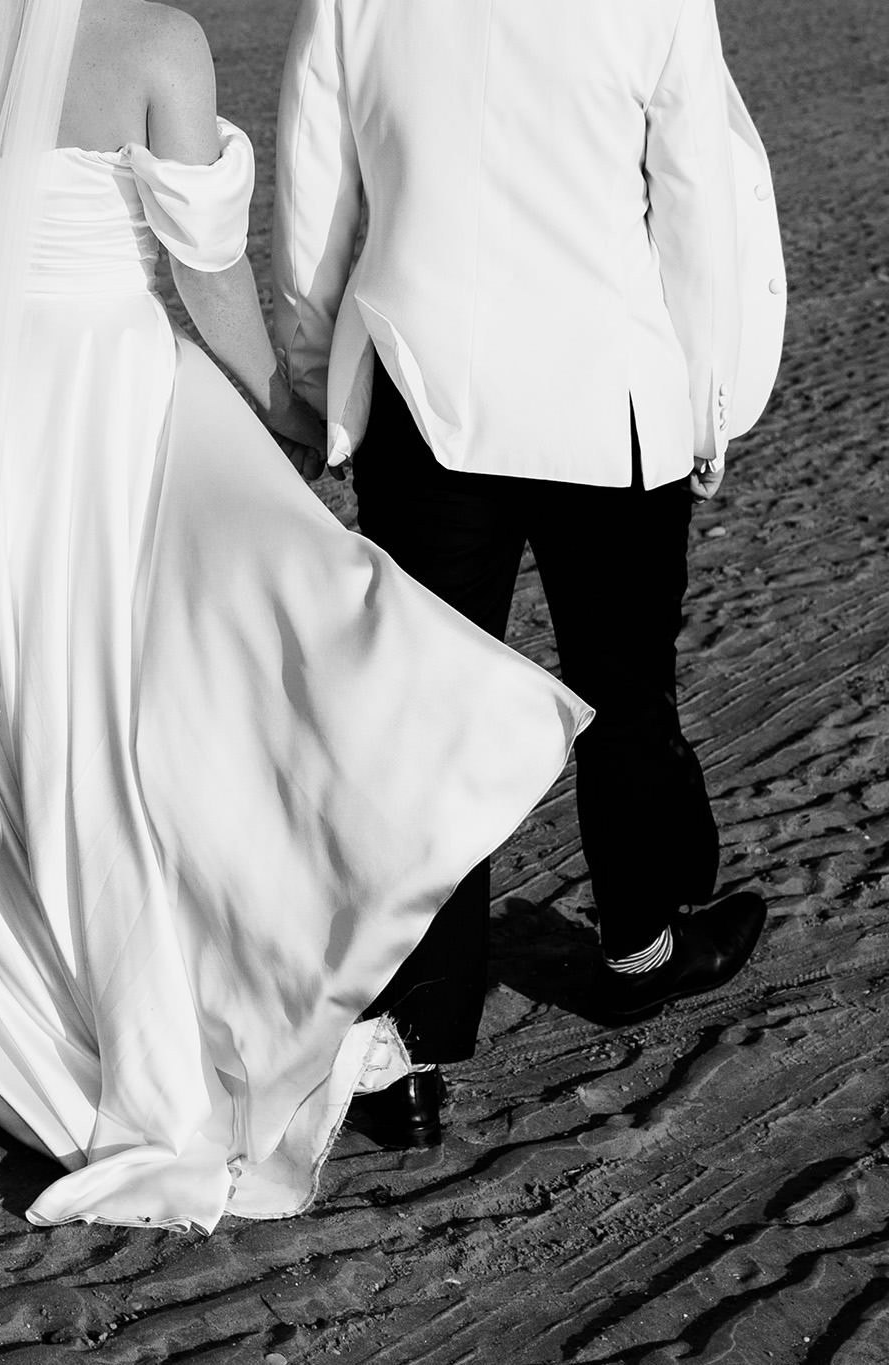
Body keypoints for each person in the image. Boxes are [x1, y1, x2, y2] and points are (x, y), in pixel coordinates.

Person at [0, 0, 588, 1232]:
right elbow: (206, 276)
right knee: (173, 690)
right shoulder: (159, 43)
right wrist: (285, 409)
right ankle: (223, 1005)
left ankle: (2, 1018)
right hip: (109, 411)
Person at [273, 0, 773, 1151]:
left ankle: (412, 1052)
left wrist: (314, 383)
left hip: (421, 386)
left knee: (426, 726)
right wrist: (707, 397)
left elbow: (315, 191)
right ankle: (639, 943)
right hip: (608, 385)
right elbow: (694, 193)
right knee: (621, 686)